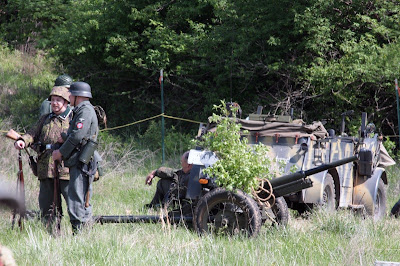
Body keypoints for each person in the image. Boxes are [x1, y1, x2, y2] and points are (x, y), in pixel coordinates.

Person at [14, 86, 73, 230]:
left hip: (66, 169)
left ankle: (78, 232)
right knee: (47, 205)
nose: (55, 103)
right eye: (53, 100)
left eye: (58, 100)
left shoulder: (73, 118)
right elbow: (32, 133)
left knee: (72, 203)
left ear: (66, 102)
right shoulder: (45, 118)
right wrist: (23, 140)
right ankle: (50, 232)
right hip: (46, 167)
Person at [52, 81, 99, 233]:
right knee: (81, 198)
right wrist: (65, 137)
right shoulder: (82, 109)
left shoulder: (85, 110)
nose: (69, 97)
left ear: (78, 96)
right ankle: (83, 233)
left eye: (71, 94)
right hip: (80, 159)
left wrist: (61, 152)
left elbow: (78, 135)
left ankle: (79, 234)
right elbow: (77, 134)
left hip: (81, 161)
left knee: (77, 199)